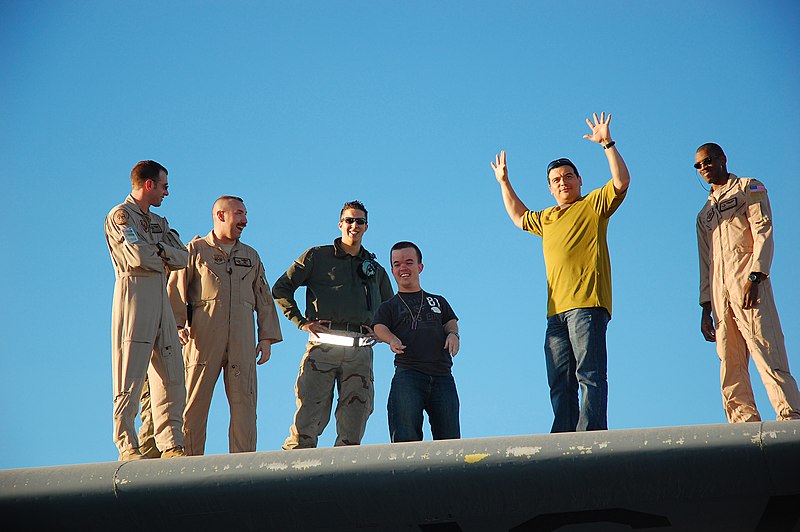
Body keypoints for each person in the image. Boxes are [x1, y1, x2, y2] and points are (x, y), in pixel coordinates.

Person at [490, 112, 630, 433]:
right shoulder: (548, 218)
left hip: (587, 304)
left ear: (580, 181)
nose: (563, 182)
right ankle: (564, 437)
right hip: (555, 312)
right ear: (550, 189)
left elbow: (621, 182)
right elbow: (518, 216)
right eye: (556, 180)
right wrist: (504, 182)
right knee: (559, 379)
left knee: (589, 374)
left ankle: (591, 434)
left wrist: (607, 144)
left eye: (569, 177)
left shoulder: (593, 205)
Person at [166, 196, 284, 455]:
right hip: (202, 336)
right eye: (239, 213)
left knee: (245, 403)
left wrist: (266, 337)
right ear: (221, 215)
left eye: (245, 214)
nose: (245, 220)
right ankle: (188, 461)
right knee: (194, 402)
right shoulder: (195, 250)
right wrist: (176, 326)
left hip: (242, 339)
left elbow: (263, 297)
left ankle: (244, 463)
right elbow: (175, 290)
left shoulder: (251, 256)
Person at [272, 200, 393, 449]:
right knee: (308, 420)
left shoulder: (375, 269)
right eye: (349, 220)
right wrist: (301, 322)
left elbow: (391, 309)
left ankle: (342, 482)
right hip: (322, 348)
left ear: (366, 227)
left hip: (360, 352)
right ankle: (292, 479)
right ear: (340, 224)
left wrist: (382, 333)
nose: (354, 226)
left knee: (353, 425)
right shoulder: (317, 256)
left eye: (359, 221)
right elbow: (281, 288)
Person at [694, 143, 800, 422]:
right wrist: (706, 306)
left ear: (722, 160)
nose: (704, 167)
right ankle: (742, 421)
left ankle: (789, 413)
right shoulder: (704, 214)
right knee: (729, 360)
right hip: (720, 294)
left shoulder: (748, 188)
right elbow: (704, 262)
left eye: (708, 161)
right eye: (699, 165)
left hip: (748, 280)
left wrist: (757, 275)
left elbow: (763, 228)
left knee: (766, 348)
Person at [104, 160, 188, 460]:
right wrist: (160, 255)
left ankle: (172, 444)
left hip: (161, 296)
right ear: (149, 184)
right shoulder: (121, 215)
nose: (167, 193)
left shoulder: (159, 222)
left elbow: (182, 257)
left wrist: (162, 252)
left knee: (172, 373)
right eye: (164, 186)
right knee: (129, 373)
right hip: (134, 294)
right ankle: (127, 444)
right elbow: (137, 255)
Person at [373, 241, 461, 442]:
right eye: (397, 264)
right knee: (405, 440)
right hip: (408, 375)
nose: (403, 268)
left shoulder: (438, 300)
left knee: (450, 442)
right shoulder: (389, 306)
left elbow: (451, 321)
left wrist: (453, 335)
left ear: (420, 267)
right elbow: (379, 326)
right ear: (392, 270)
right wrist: (391, 339)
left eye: (409, 262)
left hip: (443, 377)